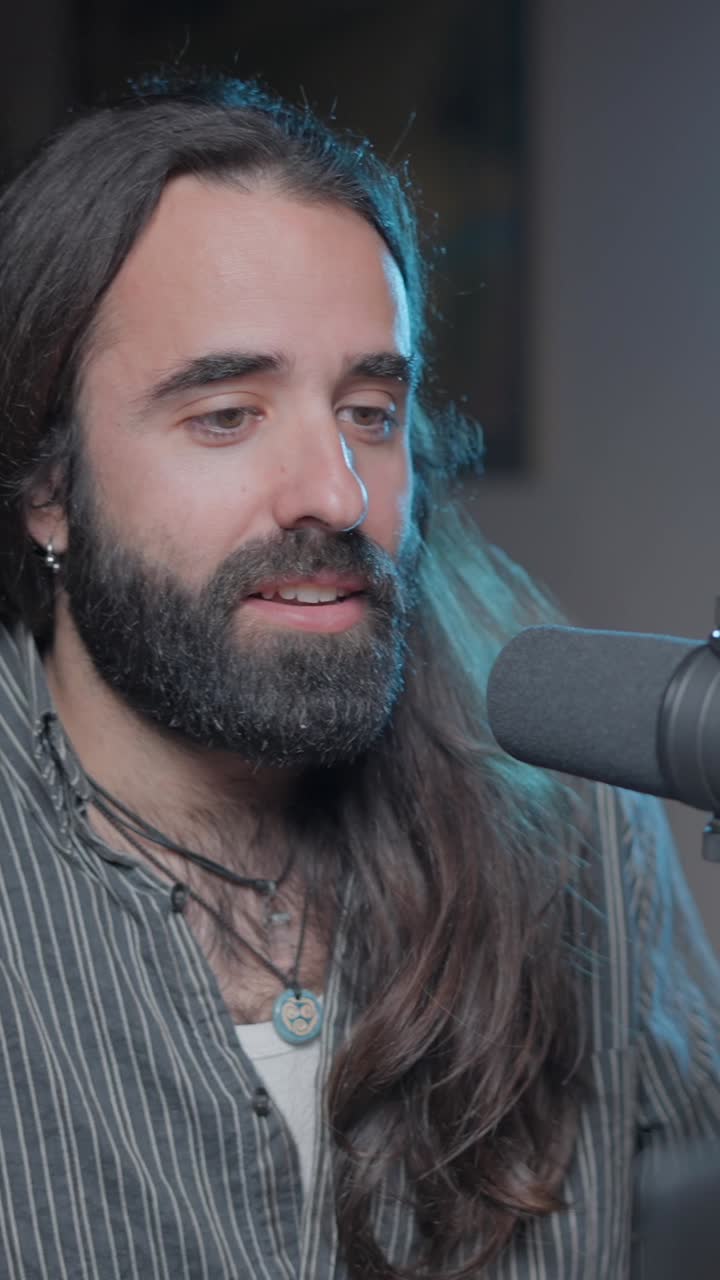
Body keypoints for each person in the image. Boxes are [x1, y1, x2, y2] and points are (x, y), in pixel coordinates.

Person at [0, 73, 717, 1280]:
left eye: (370, 410)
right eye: (227, 414)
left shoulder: (573, 813)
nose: (335, 492)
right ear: (47, 488)